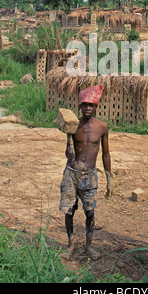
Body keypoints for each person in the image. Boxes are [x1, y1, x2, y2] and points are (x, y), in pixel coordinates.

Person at [59, 84, 112, 259]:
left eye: (91, 105)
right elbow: (69, 155)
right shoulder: (74, 126)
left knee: (90, 212)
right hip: (72, 174)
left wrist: (109, 178)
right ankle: (71, 244)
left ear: (96, 107)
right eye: (84, 105)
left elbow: (105, 154)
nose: (87, 108)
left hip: (89, 175)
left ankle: (89, 246)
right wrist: (68, 137)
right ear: (79, 106)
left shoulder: (102, 127)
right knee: (69, 211)